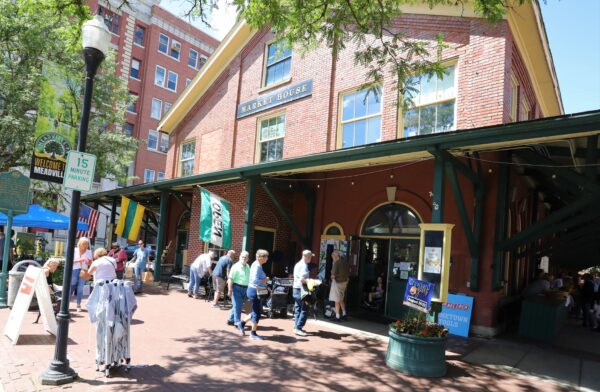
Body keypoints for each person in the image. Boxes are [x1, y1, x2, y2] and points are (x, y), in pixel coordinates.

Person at [240, 249, 269, 340]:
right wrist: (265, 280)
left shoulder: (256, 264)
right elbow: (255, 280)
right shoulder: (257, 266)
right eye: (266, 257)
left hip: (253, 290)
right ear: (261, 257)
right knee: (257, 312)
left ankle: (242, 323)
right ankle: (253, 334)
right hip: (254, 291)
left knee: (256, 310)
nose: (267, 258)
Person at [227, 251, 250, 327]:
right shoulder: (235, 266)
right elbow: (230, 279)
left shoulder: (248, 266)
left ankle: (230, 320)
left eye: (246, 257)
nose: (244, 258)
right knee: (238, 306)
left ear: (248, 258)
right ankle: (237, 323)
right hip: (236, 288)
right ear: (240, 257)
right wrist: (229, 290)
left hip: (245, 289)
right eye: (243, 257)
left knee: (236, 305)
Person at [292, 250, 313, 337]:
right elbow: (302, 279)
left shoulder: (297, 264)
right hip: (301, 290)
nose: (311, 259)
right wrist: (310, 281)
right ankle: (298, 328)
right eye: (310, 257)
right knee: (304, 309)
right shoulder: (304, 266)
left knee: (298, 309)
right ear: (307, 257)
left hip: (295, 288)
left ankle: (296, 326)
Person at [72, 237, 92, 311]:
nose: (85, 245)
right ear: (79, 243)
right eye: (84, 244)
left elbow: (90, 263)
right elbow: (70, 260)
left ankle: (78, 304)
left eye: (86, 244)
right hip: (74, 269)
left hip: (84, 270)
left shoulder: (89, 252)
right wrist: (80, 260)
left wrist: (88, 262)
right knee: (72, 284)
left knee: (80, 287)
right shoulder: (74, 250)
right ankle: (66, 302)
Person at [329, 250, 350, 322]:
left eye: (333, 257)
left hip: (337, 283)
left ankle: (337, 316)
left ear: (335, 257)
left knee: (336, 300)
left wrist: (331, 277)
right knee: (341, 299)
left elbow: (333, 275)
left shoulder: (337, 263)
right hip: (344, 282)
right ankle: (344, 314)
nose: (333, 259)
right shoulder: (345, 262)